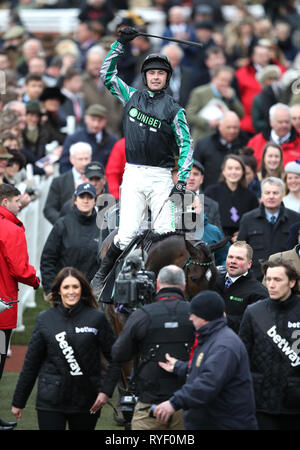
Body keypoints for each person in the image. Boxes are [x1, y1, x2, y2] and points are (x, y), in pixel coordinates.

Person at [93, 26, 194, 292]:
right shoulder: (131, 96)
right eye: (152, 73)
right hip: (134, 173)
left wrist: (181, 181)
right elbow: (106, 74)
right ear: (145, 76)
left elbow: (187, 144)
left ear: (167, 77)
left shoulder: (175, 109)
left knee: (166, 235)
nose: (156, 77)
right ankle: (102, 277)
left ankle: (165, 286)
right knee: (125, 234)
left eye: (161, 73)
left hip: (162, 177)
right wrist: (120, 44)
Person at [11, 267, 120, 431]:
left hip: (86, 399)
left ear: (82, 289)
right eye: (66, 287)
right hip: (50, 402)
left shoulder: (96, 318)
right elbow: (31, 364)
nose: (71, 292)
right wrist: (19, 401)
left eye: (75, 287)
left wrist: (105, 391)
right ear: (58, 291)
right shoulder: (45, 320)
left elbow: (116, 357)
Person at [154, 290, 258, 430]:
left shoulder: (224, 345)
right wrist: (180, 367)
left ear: (205, 317)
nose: (190, 318)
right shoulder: (212, 338)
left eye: (193, 314)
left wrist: (174, 402)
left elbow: (209, 382)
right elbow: (207, 369)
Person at [111, 265, 195, 430]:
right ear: (184, 286)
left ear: (157, 284)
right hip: (186, 403)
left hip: (149, 403)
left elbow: (118, 352)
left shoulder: (142, 315)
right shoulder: (195, 313)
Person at [239, 260, 300, 430]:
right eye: (268, 279)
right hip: (261, 403)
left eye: (277, 280)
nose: (271, 285)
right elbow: (243, 356)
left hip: (295, 405)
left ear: (292, 282)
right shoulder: (253, 312)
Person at [0, 184, 39, 430]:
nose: (19, 204)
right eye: (16, 200)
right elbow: (20, 269)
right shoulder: (10, 229)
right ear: (5, 201)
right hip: (1, 310)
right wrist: (35, 279)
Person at [40, 183, 99, 296]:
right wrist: (50, 289)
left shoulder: (102, 227)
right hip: (65, 290)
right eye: (82, 197)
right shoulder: (62, 225)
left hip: (92, 293)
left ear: (95, 201)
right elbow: (48, 259)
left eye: (90, 197)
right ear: (75, 200)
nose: (85, 201)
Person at [237, 176, 300, 280]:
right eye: (267, 193)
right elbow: (240, 250)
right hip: (254, 279)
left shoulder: (296, 219)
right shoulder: (248, 219)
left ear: (282, 195)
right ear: (261, 195)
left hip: (286, 279)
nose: (271, 196)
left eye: (275, 193)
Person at [214, 241, 268, 333]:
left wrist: (224, 319)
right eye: (230, 257)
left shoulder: (259, 292)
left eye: (239, 258)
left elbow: (256, 325)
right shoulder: (213, 282)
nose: (233, 261)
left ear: (249, 264)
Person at [204, 154, 259, 239]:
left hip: (242, 242)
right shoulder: (211, 192)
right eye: (230, 168)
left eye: (237, 169)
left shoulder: (251, 196)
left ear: (243, 172)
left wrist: (243, 234)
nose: (233, 172)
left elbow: (254, 222)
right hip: (216, 239)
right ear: (223, 171)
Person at [185, 65, 244, 142]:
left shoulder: (231, 92)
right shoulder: (199, 92)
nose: (225, 84)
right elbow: (189, 116)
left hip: (224, 139)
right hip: (203, 137)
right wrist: (208, 123)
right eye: (223, 80)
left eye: (228, 81)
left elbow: (241, 114)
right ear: (214, 78)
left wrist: (232, 100)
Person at [193, 111, 249, 189]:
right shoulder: (204, 144)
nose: (232, 131)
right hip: (208, 194)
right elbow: (194, 171)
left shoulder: (245, 143)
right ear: (219, 126)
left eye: (235, 127)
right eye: (228, 127)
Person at [59, 103, 117, 173]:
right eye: (93, 120)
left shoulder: (112, 140)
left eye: (100, 120)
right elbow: (64, 165)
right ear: (86, 118)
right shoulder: (74, 139)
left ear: (105, 121)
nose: (96, 124)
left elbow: (115, 166)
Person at [43, 142, 92, 224]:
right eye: (80, 159)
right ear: (71, 159)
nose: (84, 163)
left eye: (86, 159)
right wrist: (63, 224)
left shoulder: (98, 180)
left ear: (90, 159)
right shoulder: (59, 181)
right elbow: (49, 209)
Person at [247, 103, 300, 167]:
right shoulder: (255, 142)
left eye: (287, 122)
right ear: (271, 122)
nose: (284, 125)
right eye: (280, 122)